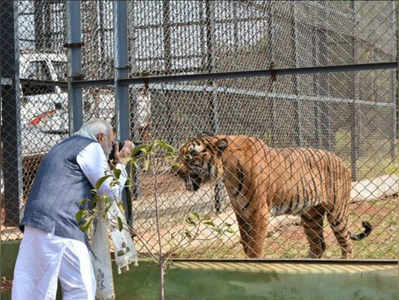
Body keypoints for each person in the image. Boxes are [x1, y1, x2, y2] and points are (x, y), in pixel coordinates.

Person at [11, 119, 134, 300]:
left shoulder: (62, 146)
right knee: (81, 289)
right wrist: (122, 163)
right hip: (61, 226)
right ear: (100, 137)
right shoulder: (91, 147)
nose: (111, 149)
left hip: (36, 223)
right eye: (110, 143)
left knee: (33, 290)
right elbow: (109, 190)